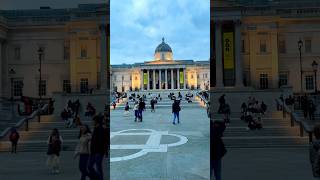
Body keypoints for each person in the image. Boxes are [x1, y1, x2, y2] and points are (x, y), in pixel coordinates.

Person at [88, 115, 108, 180]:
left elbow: (103, 141)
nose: (92, 122)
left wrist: (105, 151)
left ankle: (100, 178)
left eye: (93, 121)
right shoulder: (95, 128)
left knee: (98, 166)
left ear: (96, 121)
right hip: (93, 151)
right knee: (90, 166)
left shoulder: (101, 129)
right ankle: (96, 177)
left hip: (99, 151)